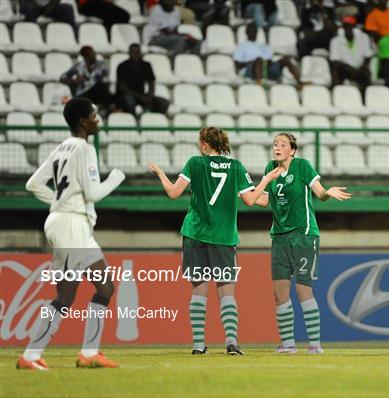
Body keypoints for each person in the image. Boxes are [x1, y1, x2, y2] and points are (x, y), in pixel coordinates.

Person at [149, 127, 284, 355]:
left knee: (199, 290)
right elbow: (252, 200)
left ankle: (199, 345)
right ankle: (231, 342)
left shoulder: (195, 163)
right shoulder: (236, 167)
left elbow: (173, 193)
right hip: (223, 236)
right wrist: (268, 180)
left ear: (204, 145)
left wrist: (161, 174)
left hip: (195, 234)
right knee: (226, 291)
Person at [17, 97, 126, 370]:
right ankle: (30, 356)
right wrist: (115, 178)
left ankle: (89, 353)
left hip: (72, 223)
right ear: (82, 121)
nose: (97, 119)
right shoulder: (84, 148)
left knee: (106, 286)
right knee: (65, 296)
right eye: (93, 115)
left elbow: (33, 184)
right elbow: (92, 193)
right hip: (70, 225)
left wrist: (58, 200)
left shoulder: (62, 147)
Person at [255, 133, 351, 354]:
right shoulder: (271, 168)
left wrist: (328, 192)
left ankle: (315, 345)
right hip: (279, 237)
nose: (277, 147)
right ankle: (288, 345)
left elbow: (320, 193)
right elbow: (265, 200)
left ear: (293, 150)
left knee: (303, 290)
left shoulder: (303, 166)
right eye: (275, 144)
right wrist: (242, 194)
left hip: (304, 235)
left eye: (282, 144)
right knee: (279, 293)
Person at [233, 22, 305, 86]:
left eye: (255, 31)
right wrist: (252, 61)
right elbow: (237, 64)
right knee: (259, 60)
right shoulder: (241, 46)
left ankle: (300, 83)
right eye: (252, 31)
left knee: (286, 59)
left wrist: (267, 62)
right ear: (247, 32)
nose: (254, 33)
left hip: (268, 69)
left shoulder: (263, 46)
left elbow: (270, 60)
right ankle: (259, 85)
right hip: (250, 71)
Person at [116, 43, 169, 115]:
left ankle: (151, 118)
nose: (135, 54)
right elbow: (123, 88)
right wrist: (141, 97)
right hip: (127, 96)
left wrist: (149, 96)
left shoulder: (146, 65)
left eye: (137, 52)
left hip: (143, 95)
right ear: (129, 53)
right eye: (133, 52)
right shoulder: (122, 66)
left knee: (164, 103)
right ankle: (132, 120)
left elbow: (151, 82)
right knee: (129, 101)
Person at [60, 46, 114, 113]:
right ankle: (105, 108)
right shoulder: (79, 66)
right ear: (85, 56)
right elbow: (62, 77)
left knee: (105, 87)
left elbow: (106, 81)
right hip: (82, 95)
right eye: (91, 53)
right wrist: (73, 81)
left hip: (96, 93)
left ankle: (106, 109)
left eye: (94, 53)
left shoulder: (101, 66)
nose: (94, 55)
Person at [329, 15, 374, 91]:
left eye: (350, 25)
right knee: (336, 70)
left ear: (354, 26)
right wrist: (348, 68)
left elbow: (368, 56)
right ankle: (336, 93)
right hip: (345, 69)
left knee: (366, 72)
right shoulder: (335, 41)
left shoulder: (364, 37)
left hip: (359, 68)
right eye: (346, 25)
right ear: (343, 26)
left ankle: (365, 97)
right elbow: (335, 61)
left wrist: (363, 66)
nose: (348, 27)